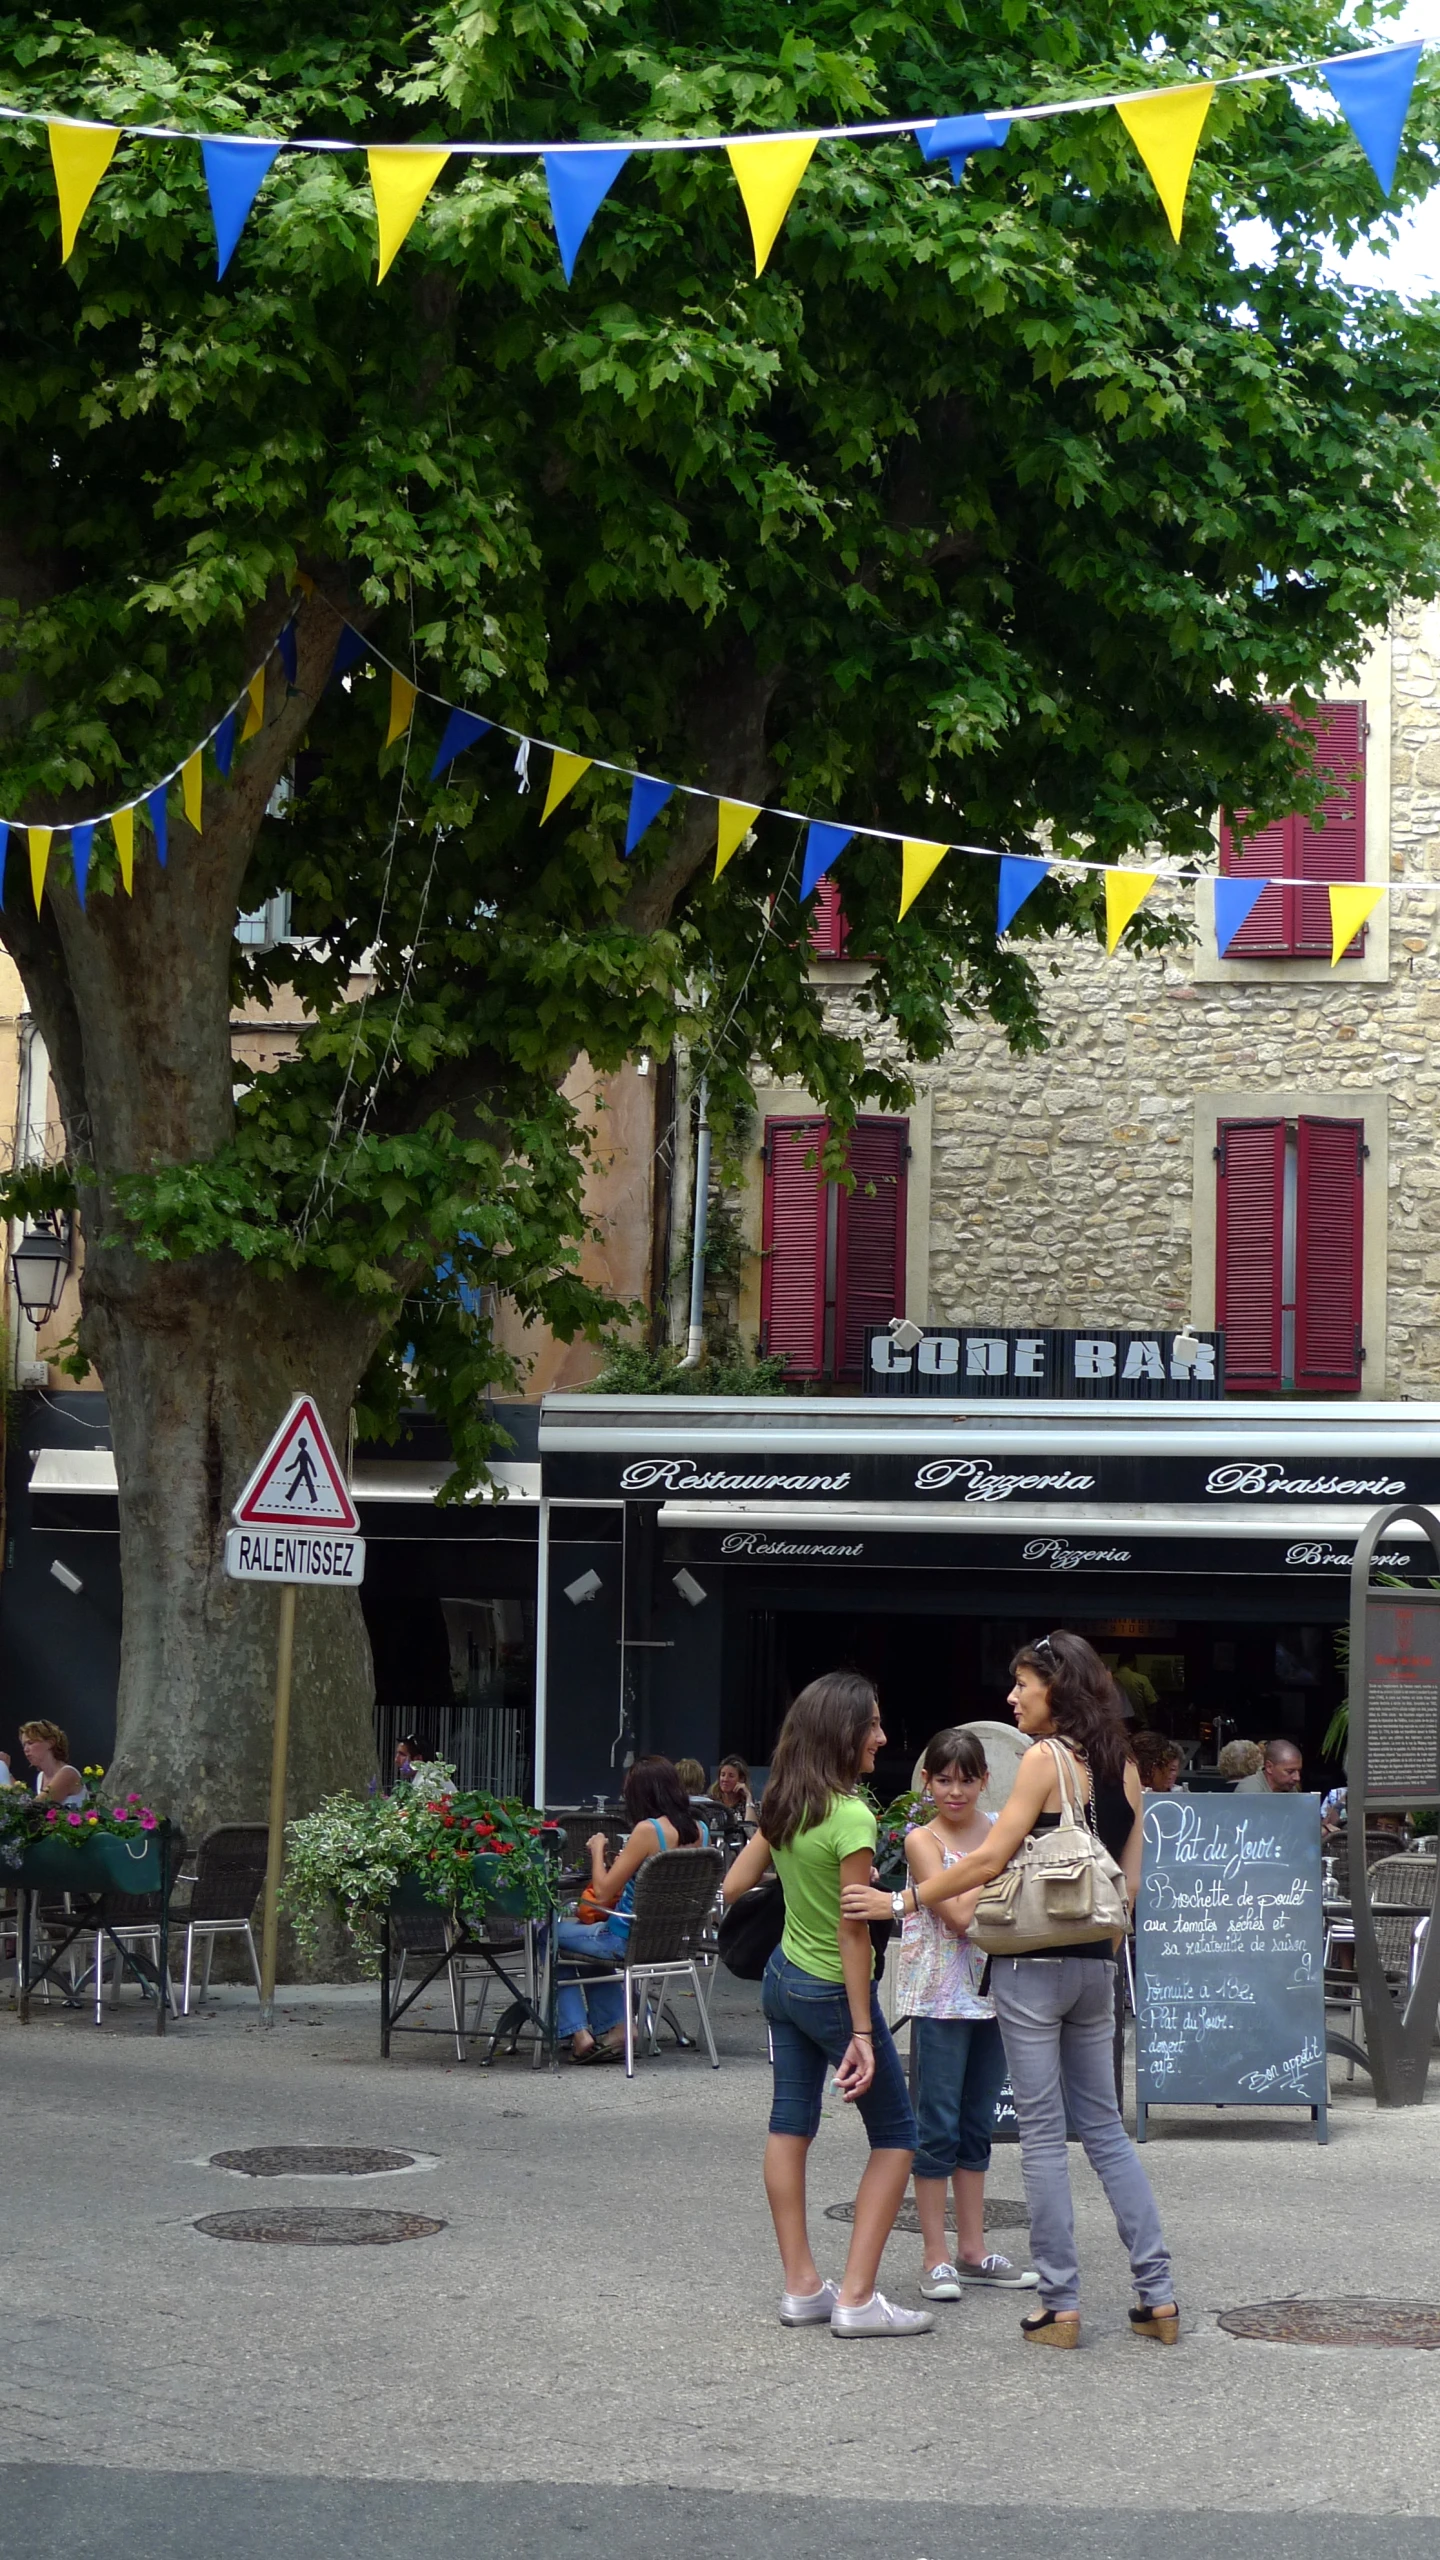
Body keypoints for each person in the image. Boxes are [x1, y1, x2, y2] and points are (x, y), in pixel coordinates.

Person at [843, 1631, 1177, 2351]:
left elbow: (993, 1856)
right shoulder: (1124, 1765)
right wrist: (1103, 1950)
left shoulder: (1043, 1760)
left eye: (1023, 1684)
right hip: (1099, 1965)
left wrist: (903, 1904)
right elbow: (1135, 1880)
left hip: (1033, 1966)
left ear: (1057, 1688)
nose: (1013, 1697)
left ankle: (1060, 2305)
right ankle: (1158, 2294)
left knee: (1043, 2137)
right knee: (1106, 2132)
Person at [723, 1672, 931, 2340]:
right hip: (833, 1991)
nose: (882, 1737)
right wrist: (865, 2031)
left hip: (782, 1980)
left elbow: (732, 1886)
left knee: (790, 2124)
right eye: (872, 1724)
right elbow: (852, 1929)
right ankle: (859, 2299)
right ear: (844, 1732)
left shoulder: (786, 1802)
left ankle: (803, 2287)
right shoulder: (852, 1815)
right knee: (898, 2136)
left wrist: (804, 1877)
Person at [896, 1726, 1038, 2300]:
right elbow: (956, 1913)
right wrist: (999, 1878)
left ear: (984, 1780)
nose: (955, 1791)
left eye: (966, 1779)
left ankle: (973, 2249)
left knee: (978, 2125)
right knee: (937, 2126)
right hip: (939, 1998)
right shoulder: (921, 1839)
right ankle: (935, 2256)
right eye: (943, 1779)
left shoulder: (1001, 1828)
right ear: (927, 1783)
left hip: (995, 1995)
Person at [555, 1756, 707, 2063]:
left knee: (547, 1934)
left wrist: (597, 1850)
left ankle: (580, 2033)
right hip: (673, 1942)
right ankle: (618, 2027)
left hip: (625, 1938)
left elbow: (602, 1891)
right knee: (580, 1947)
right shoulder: (700, 1829)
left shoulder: (647, 1830)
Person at [19, 1721, 86, 1806]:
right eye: (24, 1745)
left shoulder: (68, 1773)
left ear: (51, 1743)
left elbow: (37, 1806)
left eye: (30, 1743)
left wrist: (6, 1772)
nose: (25, 1749)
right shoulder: (41, 1777)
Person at [1234, 1739, 1303, 1794]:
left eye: (1299, 1771)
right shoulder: (1250, 1791)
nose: (1297, 1778)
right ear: (1269, 1767)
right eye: (1290, 1772)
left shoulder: (1288, 1788)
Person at [712, 1755, 757, 1825]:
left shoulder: (751, 1804)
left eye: (731, 1776)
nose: (725, 1779)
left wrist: (748, 1796)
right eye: (723, 1775)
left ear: (741, 1779)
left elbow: (752, 1829)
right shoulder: (711, 1802)